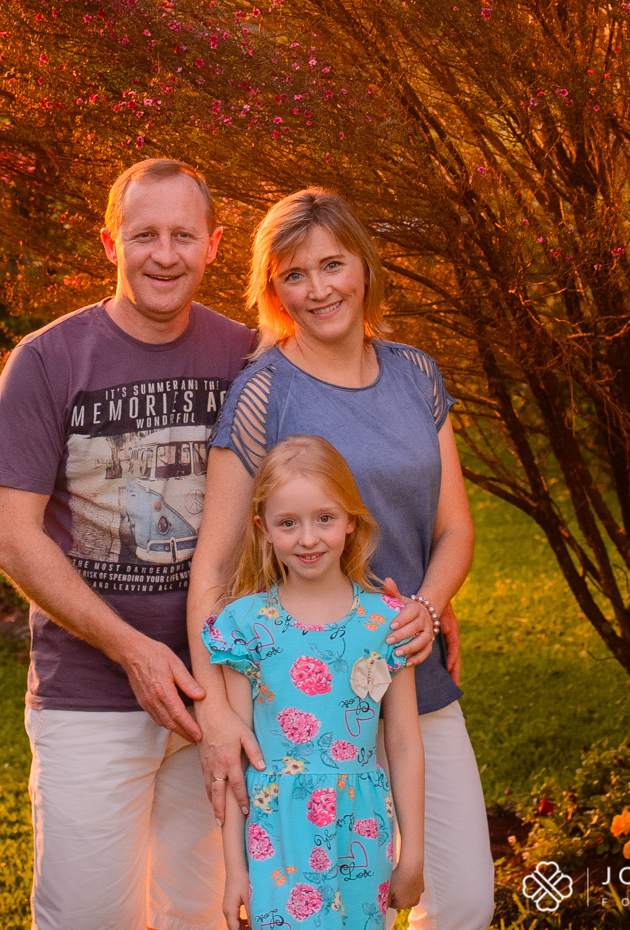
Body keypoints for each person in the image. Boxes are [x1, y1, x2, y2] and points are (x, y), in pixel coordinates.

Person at [188, 187, 495, 930]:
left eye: (332, 265)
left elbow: (455, 528)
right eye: (294, 274)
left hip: (404, 663)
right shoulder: (262, 394)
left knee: (460, 900)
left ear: (364, 265)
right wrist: (215, 712)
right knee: (319, 908)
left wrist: (425, 609)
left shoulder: (416, 374)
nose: (319, 289)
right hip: (302, 699)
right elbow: (215, 566)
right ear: (273, 290)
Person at [0, 158, 255, 930]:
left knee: (203, 914)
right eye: (143, 235)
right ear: (110, 243)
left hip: (220, 692)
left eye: (183, 236)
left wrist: (414, 596)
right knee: (89, 916)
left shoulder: (246, 356)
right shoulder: (47, 360)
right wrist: (133, 651)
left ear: (213, 245)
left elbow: (312, 497)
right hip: (89, 697)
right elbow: (11, 539)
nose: (163, 255)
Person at [204, 435, 425, 930]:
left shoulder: (387, 622)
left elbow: (404, 742)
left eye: (325, 518)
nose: (308, 539)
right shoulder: (244, 625)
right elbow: (237, 757)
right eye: (289, 523)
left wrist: (412, 853)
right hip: (277, 835)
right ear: (263, 529)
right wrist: (235, 870)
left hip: (362, 831)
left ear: (351, 520)